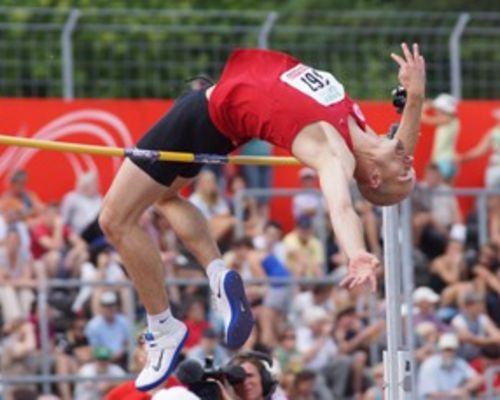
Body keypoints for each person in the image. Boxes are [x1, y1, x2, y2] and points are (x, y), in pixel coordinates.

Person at [99, 43, 426, 391]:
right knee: (165, 198)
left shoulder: (335, 155)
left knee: (115, 220)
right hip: (221, 121)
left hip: (204, 114)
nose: (409, 162)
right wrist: (416, 95)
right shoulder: (363, 133)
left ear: (374, 177)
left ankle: (163, 327)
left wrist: (355, 252)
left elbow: (341, 208)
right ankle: (217, 274)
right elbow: (403, 148)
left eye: (405, 173)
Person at [417, 333, 482, 399]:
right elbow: (431, 396)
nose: (448, 353)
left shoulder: (459, 362)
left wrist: (464, 389)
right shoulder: (429, 365)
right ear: (440, 350)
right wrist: (454, 394)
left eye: (451, 349)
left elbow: (477, 379)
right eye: (446, 349)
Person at [421, 93, 460, 181]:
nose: (436, 111)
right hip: (448, 160)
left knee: (438, 190)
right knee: (446, 191)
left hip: (443, 161)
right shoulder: (452, 119)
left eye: (438, 109)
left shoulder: (447, 119)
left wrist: (424, 107)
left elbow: (424, 119)